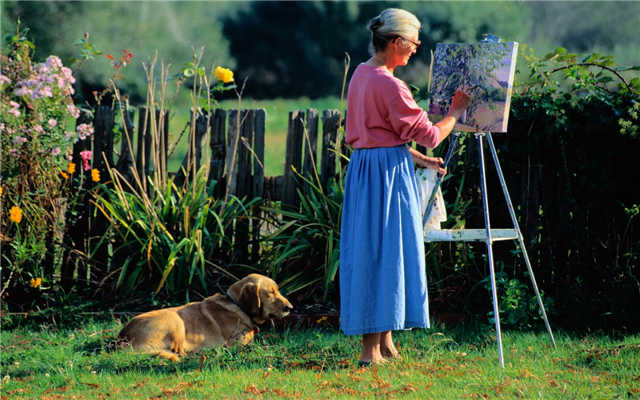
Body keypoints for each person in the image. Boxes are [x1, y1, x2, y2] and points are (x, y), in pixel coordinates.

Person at [339, 8, 472, 366]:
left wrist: (421, 160)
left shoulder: (362, 74)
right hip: (386, 177)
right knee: (382, 254)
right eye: (413, 43)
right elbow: (431, 134)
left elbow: (380, 137)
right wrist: (456, 113)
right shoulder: (389, 83)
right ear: (396, 42)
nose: (416, 49)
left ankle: (385, 344)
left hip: (369, 169)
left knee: (381, 251)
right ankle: (370, 353)